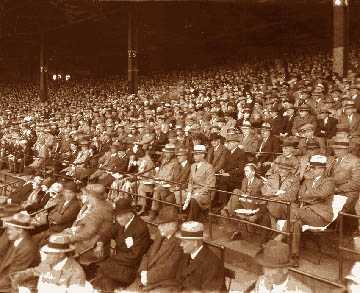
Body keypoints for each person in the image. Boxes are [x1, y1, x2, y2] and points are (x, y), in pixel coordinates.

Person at [92, 198, 151, 291]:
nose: (117, 219)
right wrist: (100, 244)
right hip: (119, 263)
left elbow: (135, 256)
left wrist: (113, 258)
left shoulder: (140, 228)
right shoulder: (122, 222)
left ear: (129, 214)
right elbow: (107, 233)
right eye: (116, 216)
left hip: (130, 267)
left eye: (119, 216)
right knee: (101, 276)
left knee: (104, 276)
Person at [291, 154, 335, 266]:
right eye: (311, 167)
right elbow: (299, 195)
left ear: (322, 169)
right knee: (296, 223)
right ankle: (294, 256)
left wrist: (307, 196)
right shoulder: (308, 181)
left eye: (314, 168)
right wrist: (310, 197)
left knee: (292, 212)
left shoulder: (329, 181)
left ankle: (277, 240)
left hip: (321, 216)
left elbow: (322, 194)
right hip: (306, 213)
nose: (311, 170)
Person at [129, 206, 183, 292]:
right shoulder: (160, 234)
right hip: (146, 277)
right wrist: (143, 271)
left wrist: (148, 277)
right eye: (159, 224)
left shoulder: (180, 243)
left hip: (164, 283)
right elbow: (147, 255)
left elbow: (169, 269)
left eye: (162, 225)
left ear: (173, 225)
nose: (159, 227)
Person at [11, 234, 88, 293]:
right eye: (47, 252)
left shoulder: (75, 273)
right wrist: (21, 275)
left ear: (61, 254)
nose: (47, 256)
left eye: (50, 253)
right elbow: (35, 271)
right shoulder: (49, 263)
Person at [62, 183, 113, 266]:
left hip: (91, 245)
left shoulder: (97, 211)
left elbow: (87, 233)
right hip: (97, 240)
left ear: (93, 197)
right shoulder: (105, 205)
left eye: (87, 195)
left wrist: (70, 237)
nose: (85, 197)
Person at [175, 221, 226, 292]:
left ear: (195, 243)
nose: (181, 245)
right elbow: (178, 280)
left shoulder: (212, 264)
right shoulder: (186, 254)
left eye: (184, 242)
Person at [0, 211, 39, 292]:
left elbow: (13, 277)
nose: (7, 232)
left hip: (15, 285)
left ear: (20, 230)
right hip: (5, 278)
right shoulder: (16, 240)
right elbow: (3, 259)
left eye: (10, 229)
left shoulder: (27, 248)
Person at [183, 144, 216, 221]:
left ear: (203, 155)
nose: (194, 156)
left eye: (197, 154)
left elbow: (210, 185)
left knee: (194, 199)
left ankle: (191, 220)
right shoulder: (193, 166)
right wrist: (189, 192)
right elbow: (190, 181)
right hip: (193, 191)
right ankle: (182, 215)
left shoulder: (209, 167)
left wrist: (197, 193)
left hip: (205, 193)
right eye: (194, 154)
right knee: (178, 194)